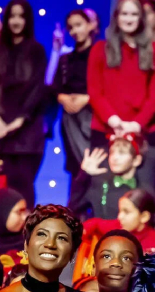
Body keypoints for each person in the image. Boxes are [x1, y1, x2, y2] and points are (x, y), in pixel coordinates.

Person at [0, 0, 48, 205]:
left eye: (21, 16)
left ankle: (25, 233)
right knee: (1, 187)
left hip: (27, 132)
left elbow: (37, 89)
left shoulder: (36, 50)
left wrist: (18, 121)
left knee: (24, 188)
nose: (16, 21)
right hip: (0, 130)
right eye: (12, 16)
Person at [87, 0, 155, 151]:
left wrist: (136, 124)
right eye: (124, 14)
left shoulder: (154, 51)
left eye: (134, 14)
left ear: (141, 18)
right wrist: (114, 121)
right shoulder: (99, 49)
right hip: (105, 129)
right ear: (116, 17)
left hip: (143, 130)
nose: (129, 19)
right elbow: (95, 91)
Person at [52, 9, 99, 180]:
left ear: (90, 25)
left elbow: (108, 86)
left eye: (79, 25)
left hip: (94, 117)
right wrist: (62, 97)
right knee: (76, 169)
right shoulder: (66, 58)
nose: (75, 31)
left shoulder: (100, 54)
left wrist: (88, 99)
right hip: (70, 119)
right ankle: (76, 206)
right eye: (71, 27)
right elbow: (53, 86)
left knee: (95, 164)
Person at [71, 135, 145, 222]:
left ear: (136, 160)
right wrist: (83, 175)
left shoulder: (143, 190)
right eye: (112, 152)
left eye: (122, 153)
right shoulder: (101, 185)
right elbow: (73, 206)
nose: (114, 158)